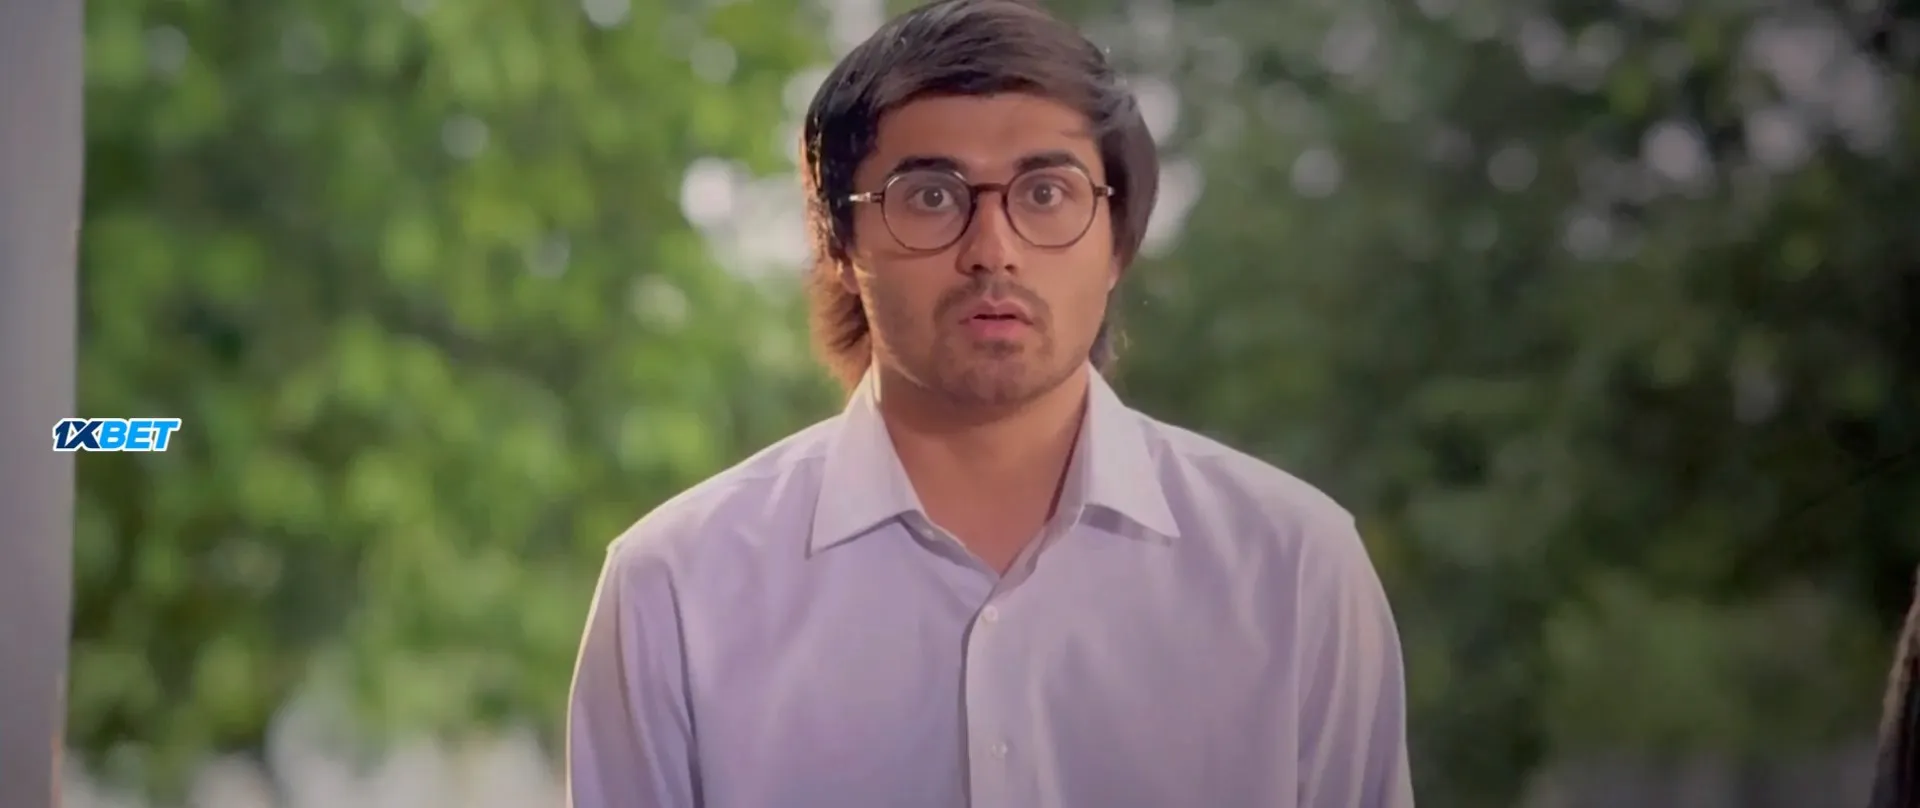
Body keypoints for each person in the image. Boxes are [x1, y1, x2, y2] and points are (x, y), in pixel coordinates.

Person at [565, 1, 1415, 806]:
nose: (993, 251)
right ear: (839, 244)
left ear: (1118, 243)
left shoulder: (1291, 568)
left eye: (1045, 193)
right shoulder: (677, 588)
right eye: (931, 197)